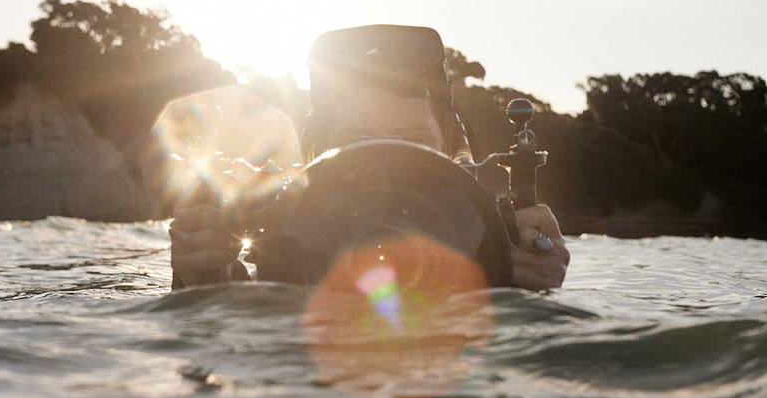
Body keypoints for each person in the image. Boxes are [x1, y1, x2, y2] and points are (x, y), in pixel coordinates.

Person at [170, 25, 569, 291]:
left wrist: (526, 292)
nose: (386, 166)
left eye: (412, 141)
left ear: (452, 156)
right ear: (315, 157)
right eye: (359, 141)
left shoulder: (489, 250)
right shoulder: (280, 260)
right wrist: (205, 280)